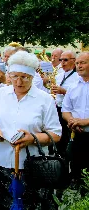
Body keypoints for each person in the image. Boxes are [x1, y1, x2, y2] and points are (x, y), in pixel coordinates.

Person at [0, 51, 61, 209]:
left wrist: (33, 138)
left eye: (25, 77)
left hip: (31, 167)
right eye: (15, 76)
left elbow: (56, 134)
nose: (19, 82)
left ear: (32, 77)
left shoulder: (45, 99)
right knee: (1, 205)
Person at [62, 51, 89, 189]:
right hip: (78, 135)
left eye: (83, 62)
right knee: (77, 171)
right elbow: (65, 110)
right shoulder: (73, 86)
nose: (79, 66)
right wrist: (72, 121)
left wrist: (85, 122)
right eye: (77, 63)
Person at [50, 51, 78, 157]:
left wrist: (63, 91)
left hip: (70, 110)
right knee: (58, 133)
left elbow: (77, 95)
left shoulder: (77, 76)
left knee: (67, 136)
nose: (62, 63)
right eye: (61, 60)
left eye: (66, 60)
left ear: (73, 61)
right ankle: (58, 154)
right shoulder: (59, 74)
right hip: (58, 106)